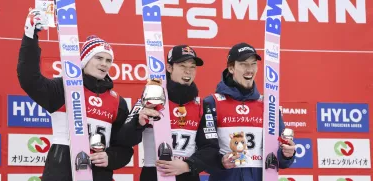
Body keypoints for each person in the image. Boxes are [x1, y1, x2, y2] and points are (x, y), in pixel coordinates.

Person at [17, 9, 133, 181]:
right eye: (98, 58)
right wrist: (30, 35)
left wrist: (111, 157)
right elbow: (29, 79)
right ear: (85, 60)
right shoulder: (63, 89)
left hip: (99, 174)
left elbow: (124, 146)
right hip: (61, 171)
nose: (104, 64)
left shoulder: (118, 102)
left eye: (108, 60)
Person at [117, 45, 220, 181]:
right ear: (169, 68)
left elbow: (210, 148)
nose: (188, 72)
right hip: (153, 174)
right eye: (182, 66)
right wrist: (138, 122)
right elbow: (124, 139)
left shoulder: (201, 105)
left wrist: (187, 165)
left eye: (192, 67)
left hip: (187, 175)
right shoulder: (150, 99)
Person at [201, 43, 296, 181]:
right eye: (244, 64)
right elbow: (203, 151)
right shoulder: (212, 102)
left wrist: (287, 153)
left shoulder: (268, 105)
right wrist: (220, 162)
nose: (249, 69)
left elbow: (281, 156)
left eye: (253, 64)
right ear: (231, 68)